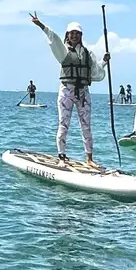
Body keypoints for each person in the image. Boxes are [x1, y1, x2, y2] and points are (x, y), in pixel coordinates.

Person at [30, 13, 109, 166]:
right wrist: (41, 25)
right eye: (71, 33)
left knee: (86, 125)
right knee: (63, 123)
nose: (74, 36)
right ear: (67, 35)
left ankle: (89, 159)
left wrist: (104, 62)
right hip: (67, 90)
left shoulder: (87, 53)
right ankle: (61, 156)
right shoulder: (63, 51)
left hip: (83, 92)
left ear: (81, 36)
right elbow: (54, 38)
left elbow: (95, 73)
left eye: (77, 33)